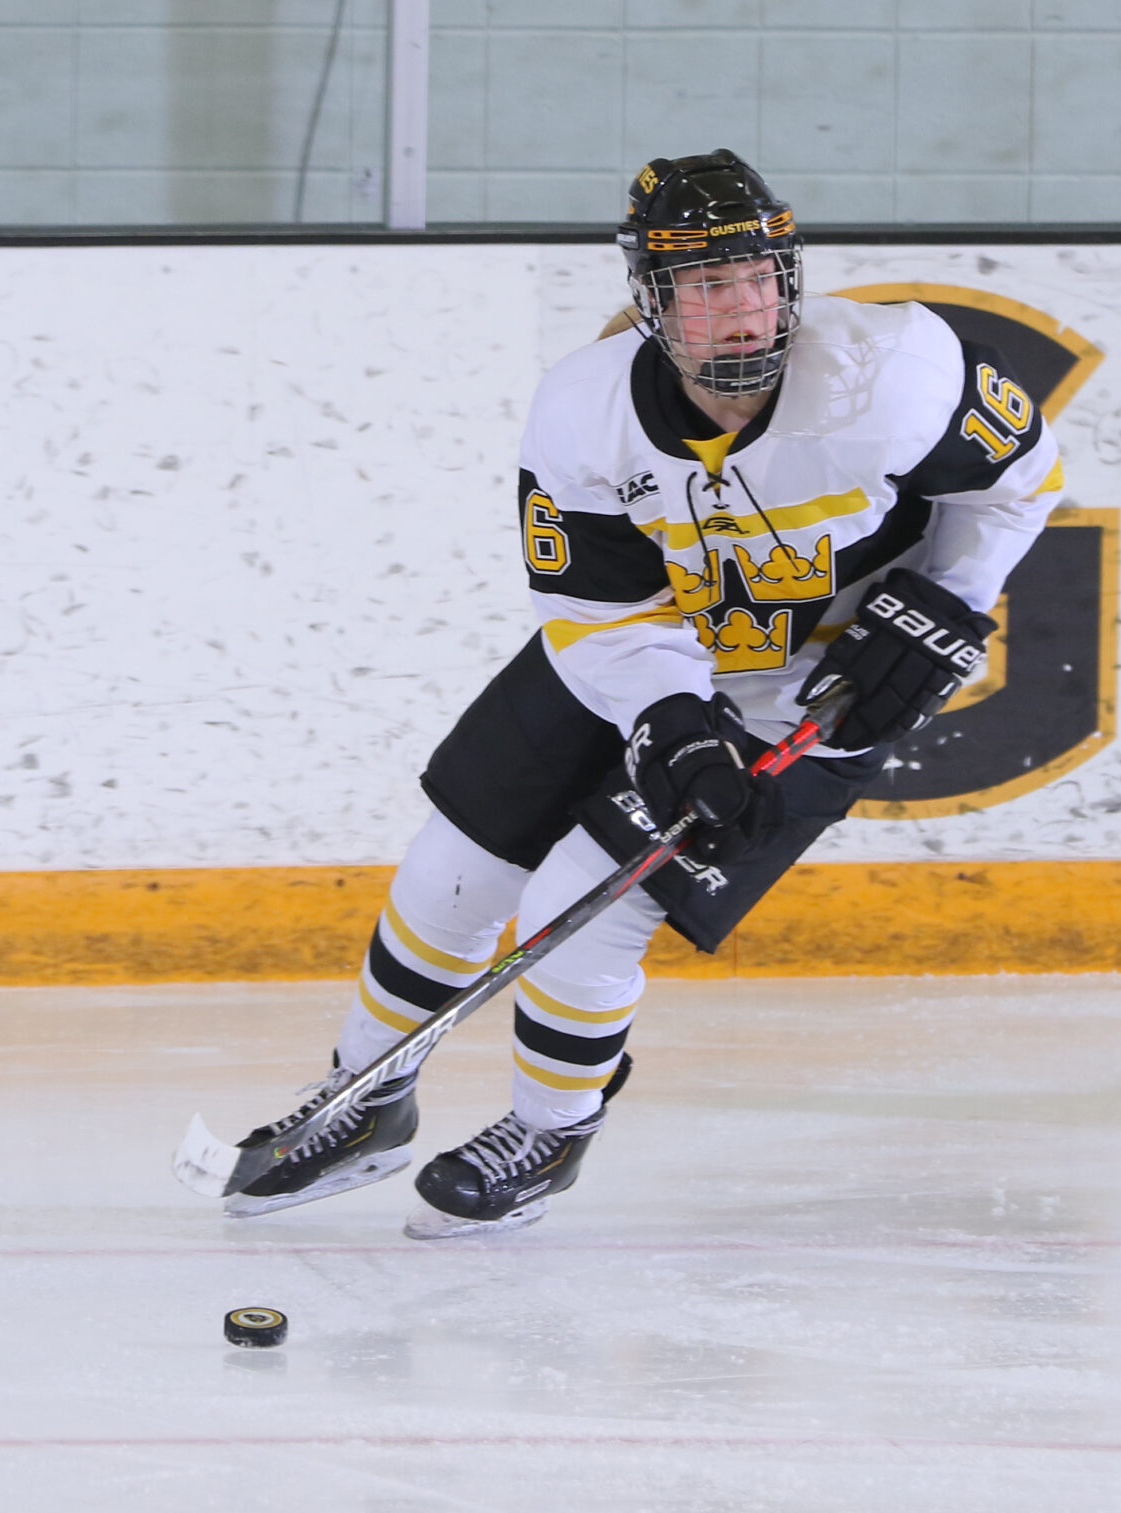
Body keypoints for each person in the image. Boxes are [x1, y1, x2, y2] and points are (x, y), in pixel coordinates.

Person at [228, 149, 1064, 1238]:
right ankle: (364, 1094)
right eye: (710, 286)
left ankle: (549, 1129)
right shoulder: (582, 412)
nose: (745, 310)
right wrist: (671, 718)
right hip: (637, 649)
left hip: (813, 687)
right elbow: (593, 610)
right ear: (652, 299)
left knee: (580, 915)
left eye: (760, 277)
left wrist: (948, 600)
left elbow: (1021, 478)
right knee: (451, 872)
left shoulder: (893, 372)